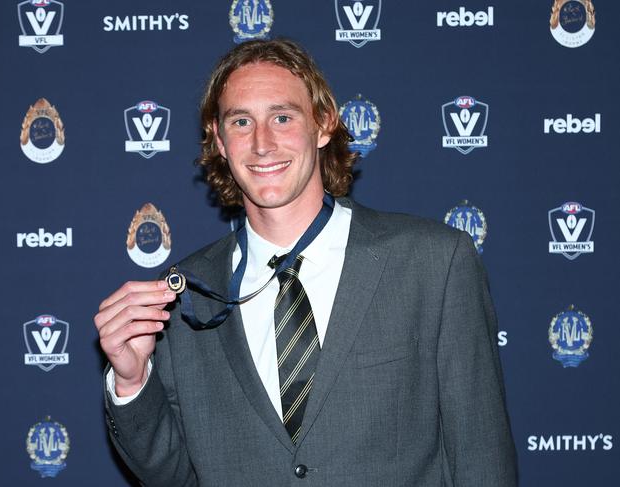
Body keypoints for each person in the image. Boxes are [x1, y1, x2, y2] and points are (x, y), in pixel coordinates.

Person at [94, 38, 517, 486]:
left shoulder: (434, 263)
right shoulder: (183, 296)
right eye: (241, 121)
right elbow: (173, 476)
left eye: (282, 117)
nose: (262, 143)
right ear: (218, 142)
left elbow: (481, 457)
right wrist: (132, 381)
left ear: (323, 125)